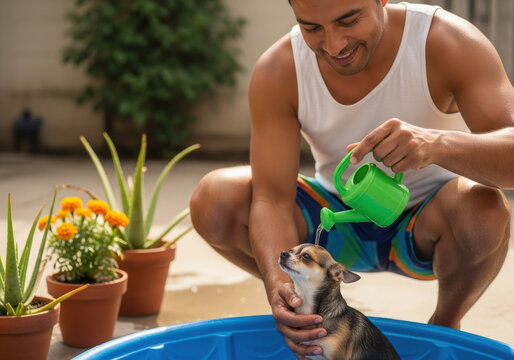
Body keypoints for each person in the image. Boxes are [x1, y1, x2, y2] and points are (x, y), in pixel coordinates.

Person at [190, 0, 514, 358]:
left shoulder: (445, 42)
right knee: (215, 198)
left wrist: (438, 145)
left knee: (484, 208)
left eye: (349, 20)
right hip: (332, 225)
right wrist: (279, 285)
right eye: (312, 28)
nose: (334, 45)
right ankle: (312, 308)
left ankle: (444, 323)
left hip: (426, 226)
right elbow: (271, 199)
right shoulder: (280, 68)